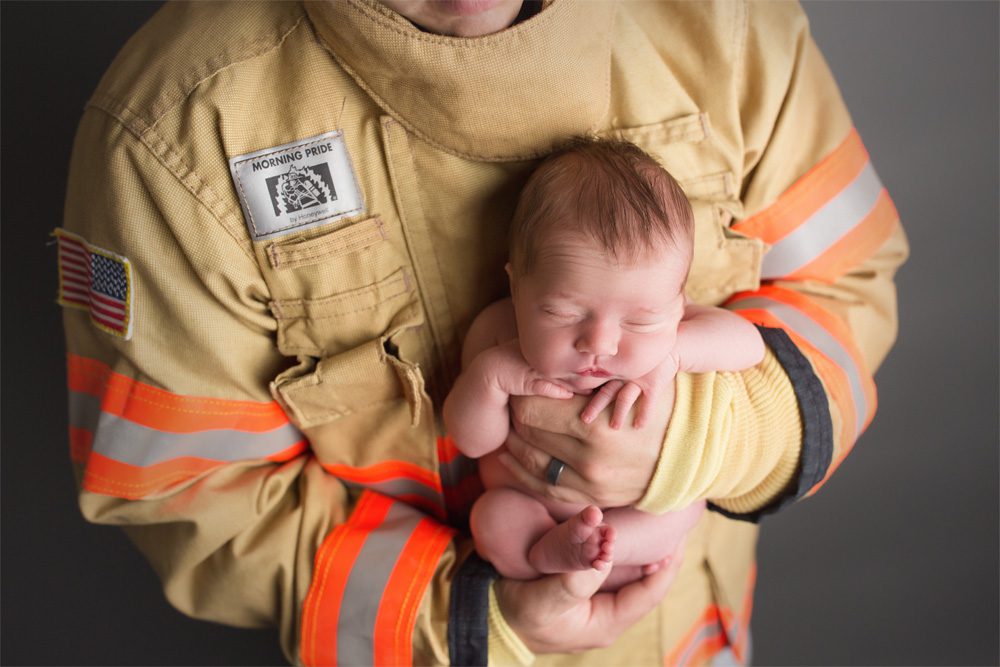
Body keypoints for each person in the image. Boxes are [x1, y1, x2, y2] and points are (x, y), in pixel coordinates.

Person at [57, 1, 907, 665]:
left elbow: (846, 287)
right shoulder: (172, 134)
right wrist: (471, 616)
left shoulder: (728, 25)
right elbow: (187, 494)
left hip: (688, 634)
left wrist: (697, 437)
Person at [444, 137, 765, 589]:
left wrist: (672, 355)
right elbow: (473, 442)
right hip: (527, 503)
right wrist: (488, 379)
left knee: (684, 509)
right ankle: (550, 553)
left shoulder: (674, 324)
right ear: (516, 287)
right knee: (492, 519)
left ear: (677, 301)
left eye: (641, 320)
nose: (600, 344)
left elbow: (750, 345)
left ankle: (611, 548)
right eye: (564, 313)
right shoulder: (498, 334)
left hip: (636, 511)